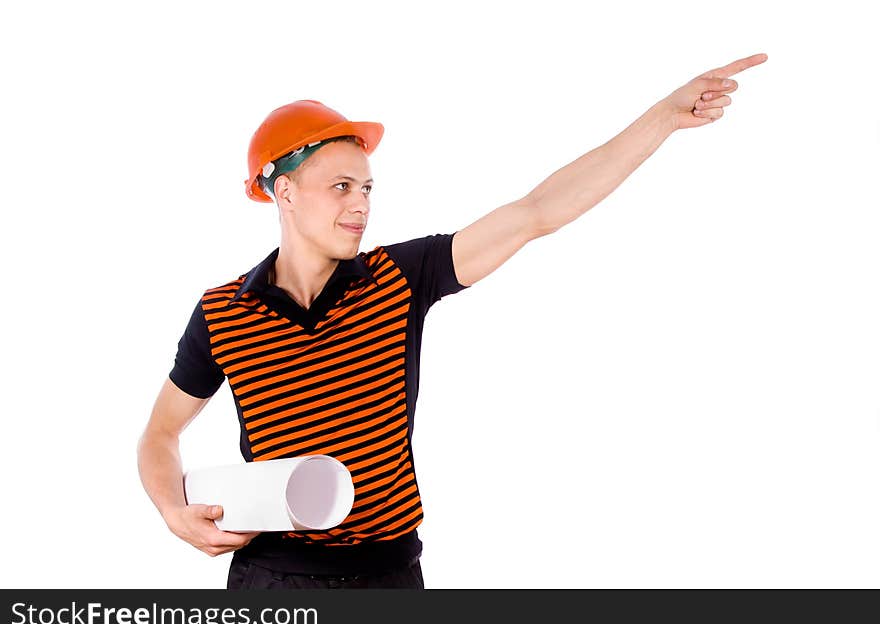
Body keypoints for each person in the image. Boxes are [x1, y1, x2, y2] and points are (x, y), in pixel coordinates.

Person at [137, 53, 768, 589]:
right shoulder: (222, 312)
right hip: (274, 579)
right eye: (341, 187)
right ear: (283, 192)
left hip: (390, 573)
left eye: (367, 189)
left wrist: (661, 119)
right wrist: (173, 508)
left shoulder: (400, 276)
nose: (361, 206)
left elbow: (536, 212)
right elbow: (160, 435)